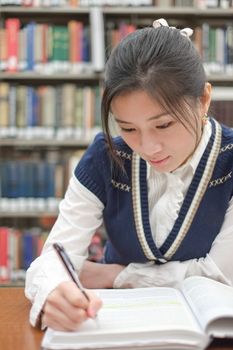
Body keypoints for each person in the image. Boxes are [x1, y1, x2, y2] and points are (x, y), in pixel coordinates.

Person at [25, 18, 233, 331]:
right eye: (127, 128)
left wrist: (115, 275)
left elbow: (221, 277)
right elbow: (52, 261)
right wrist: (54, 292)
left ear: (203, 100)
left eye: (163, 125)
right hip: (112, 326)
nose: (147, 147)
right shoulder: (105, 157)